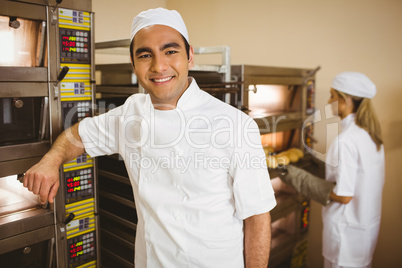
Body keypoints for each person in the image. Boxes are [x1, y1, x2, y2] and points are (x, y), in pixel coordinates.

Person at [22, 8, 276, 267]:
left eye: (171, 51)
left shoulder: (235, 125)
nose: (159, 66)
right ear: (133, 65)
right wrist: (51, 161)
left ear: (190, 57)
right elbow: (78, 134)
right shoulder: (131, 112)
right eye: (145, 55)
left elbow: (257, 217)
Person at [279, 72, 385, 268]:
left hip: (345, 237)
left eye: (332, 96)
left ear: (345, 100)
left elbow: (343, 195)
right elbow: (351, 177)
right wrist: (312, 163)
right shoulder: (370, 136)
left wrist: (295, 176)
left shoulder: (346, 141)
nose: (329, 101)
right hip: (364, 233)